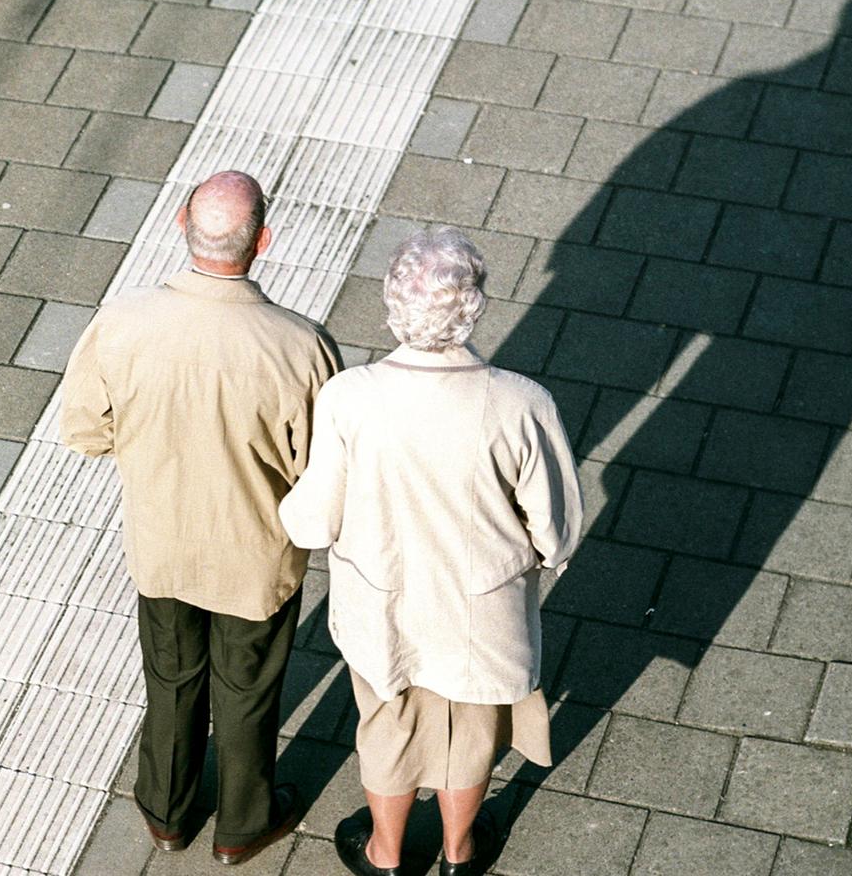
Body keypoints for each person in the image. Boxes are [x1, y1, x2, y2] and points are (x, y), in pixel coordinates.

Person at [279, 227, 582, 876]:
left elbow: (310, 522)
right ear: (473, 307)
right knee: (471, 736)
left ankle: (386, 856)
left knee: (387, 728)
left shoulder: (348, 398)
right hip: (480, 611)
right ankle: (458, 852)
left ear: (392, 304)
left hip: (380, 608)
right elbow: (556, 529)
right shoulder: (520, 402)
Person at [61, 170, 342, 864]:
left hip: (161, 547)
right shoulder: (302, 347)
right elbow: (325, 470)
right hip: (255, 559)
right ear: (264, 241)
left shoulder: (121, 323)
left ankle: (166, 811)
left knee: (171, 676)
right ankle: (244, 823)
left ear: (181, 227)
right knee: (247, 689)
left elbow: (85, 433)